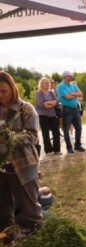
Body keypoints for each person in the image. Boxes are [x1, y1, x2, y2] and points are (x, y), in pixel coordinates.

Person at [0, 71, 42, 232]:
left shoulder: (25, 109)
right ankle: (10, 242)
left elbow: (33, 136)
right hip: (1, 167)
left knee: (31, 210)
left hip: (22, 167)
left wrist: (9, 139)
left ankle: (39, 241)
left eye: (4, 91)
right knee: (4, 212)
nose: (0, 95)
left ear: (12, 88)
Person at [57, 71, 85, 154]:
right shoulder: (61, 86)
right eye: (69, 76)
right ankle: (69, 147)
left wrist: (72, 94)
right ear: (65, 77)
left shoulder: (73, 85)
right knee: (66, 129)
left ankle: (77, 145)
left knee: (79, 128)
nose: (71, 77)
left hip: (75, 109)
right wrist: (75, 94)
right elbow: (67, 97)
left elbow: (81, 94)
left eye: (71, 76)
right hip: (66, 109)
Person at [35, 77, 61, 155]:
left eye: (48, 82)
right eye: (45, 82)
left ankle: (57, 150)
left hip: (52, 114)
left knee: (56, 131)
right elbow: (41, 105)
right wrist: (51, 103)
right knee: (45, 132)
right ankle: (48, 150)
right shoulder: (39, 93)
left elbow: (57, 102)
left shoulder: (51, 92)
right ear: (41, 84)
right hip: (42, 115)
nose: (48, 84)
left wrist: (49, 103)